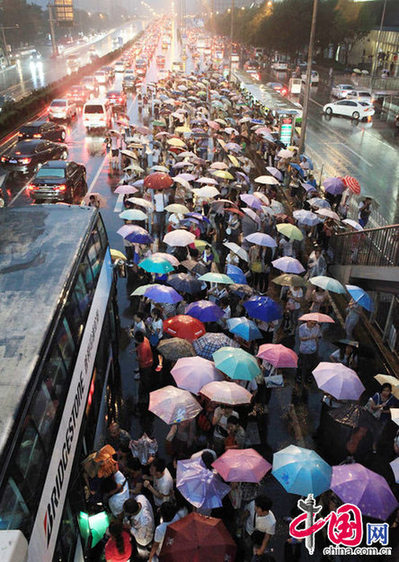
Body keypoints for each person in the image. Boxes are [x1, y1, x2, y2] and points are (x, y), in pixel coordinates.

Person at [366, 383, 398, 453]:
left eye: (388, 391)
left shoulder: (392, 398)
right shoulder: (377, 395)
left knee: (378, 433)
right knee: (369, 430)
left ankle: (373, 446)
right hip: (373, 417)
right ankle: (366, 443)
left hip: (383, 419)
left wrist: (382, 411)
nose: (386, 392)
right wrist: (381, 406)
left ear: (390, 391)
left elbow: (391, 410)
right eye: (384, 390)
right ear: (381, 390)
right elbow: (373, 407)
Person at [295, 320, 321, 402]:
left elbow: (318, 337)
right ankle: (299, 377)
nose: (313, 325)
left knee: (311, 364)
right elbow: (301, 338)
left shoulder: (317, 327)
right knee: (301, 364)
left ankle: (308, 377)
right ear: (308, 321)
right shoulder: (302, 327)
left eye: (315, 323)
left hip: (312, 348)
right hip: (304, 348)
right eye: (312, 323)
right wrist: (310, 337)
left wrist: (316, 339)